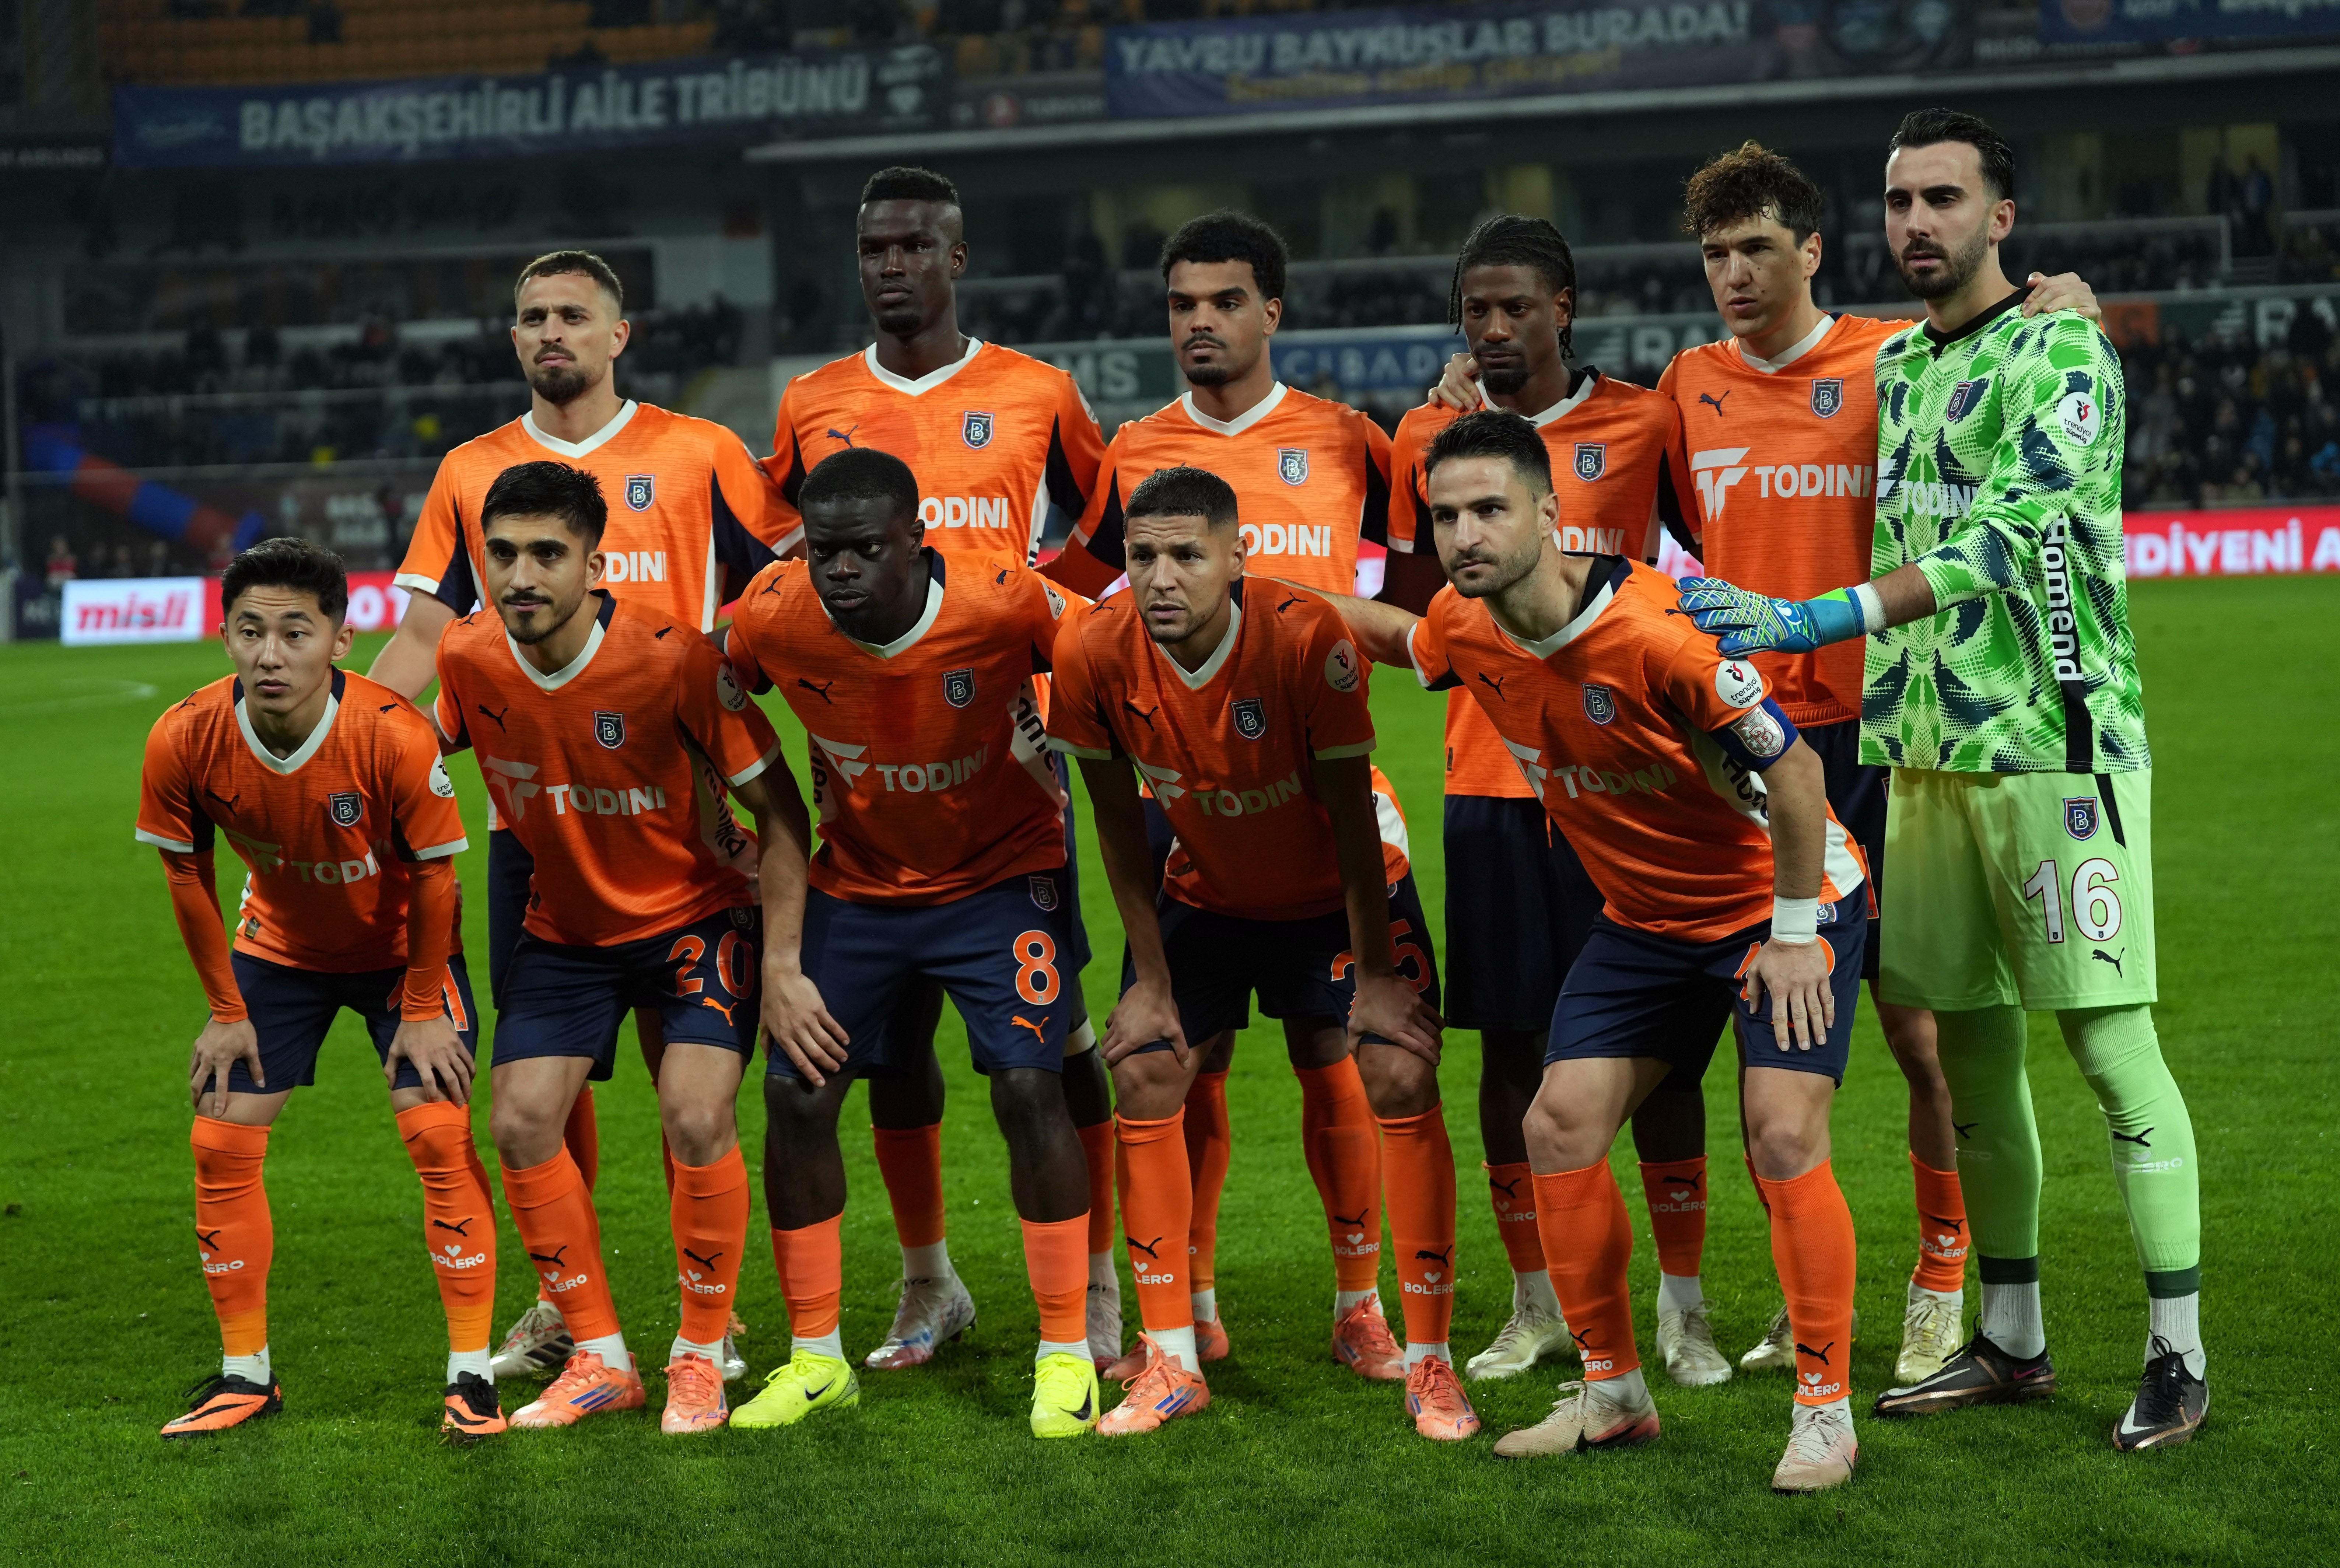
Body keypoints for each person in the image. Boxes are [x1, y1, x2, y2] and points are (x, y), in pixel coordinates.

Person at [1681, 108, 2207, 1454]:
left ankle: (2179, 1353)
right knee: (1970, 1056)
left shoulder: (2063, 348)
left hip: (2055, 749)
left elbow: (2008, 535)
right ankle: (2012, 1337)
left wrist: (1814, 619)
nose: (1917, 222)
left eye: (1944, 198)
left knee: (2110, 1049)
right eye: (1901, 200)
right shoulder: (1903, 363)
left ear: (2001, 218)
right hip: (1921, 754)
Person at [1323, 410, 1872, 1491]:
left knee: (1780, 1131)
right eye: (1447, 517)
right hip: (1648, 920)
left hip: (1783, 904)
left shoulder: (1660, 634)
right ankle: (1613, 1394)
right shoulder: (1466, 624)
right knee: (1557, 1123)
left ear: (1550, 514)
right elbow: (1399, 637)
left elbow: (1799, 775)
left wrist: (1794, 934)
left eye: (1490, 509)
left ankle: (1825, 1413)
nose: (1465, 535)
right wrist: (1262, 597)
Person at [370, 248, 789, 1385]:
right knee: (544, 1075)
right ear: (513, 339)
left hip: (684, 814)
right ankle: (568, 1308)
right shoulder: (470, 471)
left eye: (572, 314)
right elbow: (425, 638)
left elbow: (779, 596)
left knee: (685, 1075)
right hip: (539, 825)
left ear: (619, 335)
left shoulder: (702, 453)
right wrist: (350, 749)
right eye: (532, 317)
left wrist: (756, 700)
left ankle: (713, 1316)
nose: (551, 331)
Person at [1050, 211, 1429, 1380]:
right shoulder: (1133, 450)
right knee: (1184, 1055)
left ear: (1274, 309)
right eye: (1181, 304)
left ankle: (1361, 1305)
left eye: (1224, 301)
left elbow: (1425, 589)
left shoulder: (1350, 439)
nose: (1200, 322)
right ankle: (1193, 1303)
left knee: (1334, 1052)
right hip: (1184, 795)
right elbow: (1080, 592)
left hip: (1321, 789)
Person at [766, 166, 1119, 1372]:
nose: (892, 266)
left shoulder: (1037, 391)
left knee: (1055, 1043)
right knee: (890, 1046)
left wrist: (1034, 643)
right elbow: (784, 552)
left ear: (956, 257)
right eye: (874, 248)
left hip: (1006, 769)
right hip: (870, 773)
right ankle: (929, 1285)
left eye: (915, 245)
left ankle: (1098, 1283)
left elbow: (1104, 535)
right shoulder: (812, 400)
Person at [1046, 466, 1457, 1440]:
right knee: (1147, 1068)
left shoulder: (1306, 637)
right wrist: (1149, 982)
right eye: (1143, 557)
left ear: (1238, 557)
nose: (1161, 578)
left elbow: (1349, 817)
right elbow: (1117, 829)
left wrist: (1377, 977)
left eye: (1187, 556)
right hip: (1208, 885)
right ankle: (1173, 1356)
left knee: (1390, 1069)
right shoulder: (1093, 649)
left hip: (1339, 885)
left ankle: (1399, 1338)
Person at [1398, 215, 1718, 1387]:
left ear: (1563, 309)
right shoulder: (1428, 437)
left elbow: (1715, 558)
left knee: (1667, 1054)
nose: (1493, 328)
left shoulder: (1646, 423)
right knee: (1511, 1050)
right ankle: (1535, 1302)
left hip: (1631, 787)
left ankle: (1683, 1308)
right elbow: (1416, 606)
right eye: (1475, 310)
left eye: (1516, 308)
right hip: (1491, 780)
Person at [731, 447, 1101, 1439]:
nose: (840, 569)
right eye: (823, 551)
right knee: (797, 1091)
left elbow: (1110, 658)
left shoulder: (1004, 601)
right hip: (858, 884)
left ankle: (1067, 1350)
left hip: (1002, 878)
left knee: (1028, 1086)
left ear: (917, 540)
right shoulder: (772, 614)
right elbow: (700, 689)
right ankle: (817, 1359)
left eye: (864, 549)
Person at [431, 461, 789, 1435]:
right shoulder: (468, 657)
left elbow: (781, 810)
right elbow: (399, 759)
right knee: (520, 1122)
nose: (521, 576)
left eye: (547, 554)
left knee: (696, 1116)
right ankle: (601, 1356)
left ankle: (701, 1354)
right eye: (502, 554)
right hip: (567, 929)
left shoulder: (674, 661)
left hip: (695, 919)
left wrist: (785, 961)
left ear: (596, 566)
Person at [137, 538, 497, 1441]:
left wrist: (424, 1007)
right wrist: (227, 1012)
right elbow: (187, 875)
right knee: (219, 1137)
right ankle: (245, 1375)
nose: (271, 654)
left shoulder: (393, 734)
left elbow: (436, 877)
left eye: (295, 633)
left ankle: (471, 1376)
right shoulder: (184, 735)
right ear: (226, 635)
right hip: (281, 950)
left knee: (438, 1130)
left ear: (339, 640)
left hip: (403, 953)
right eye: (250, 631)